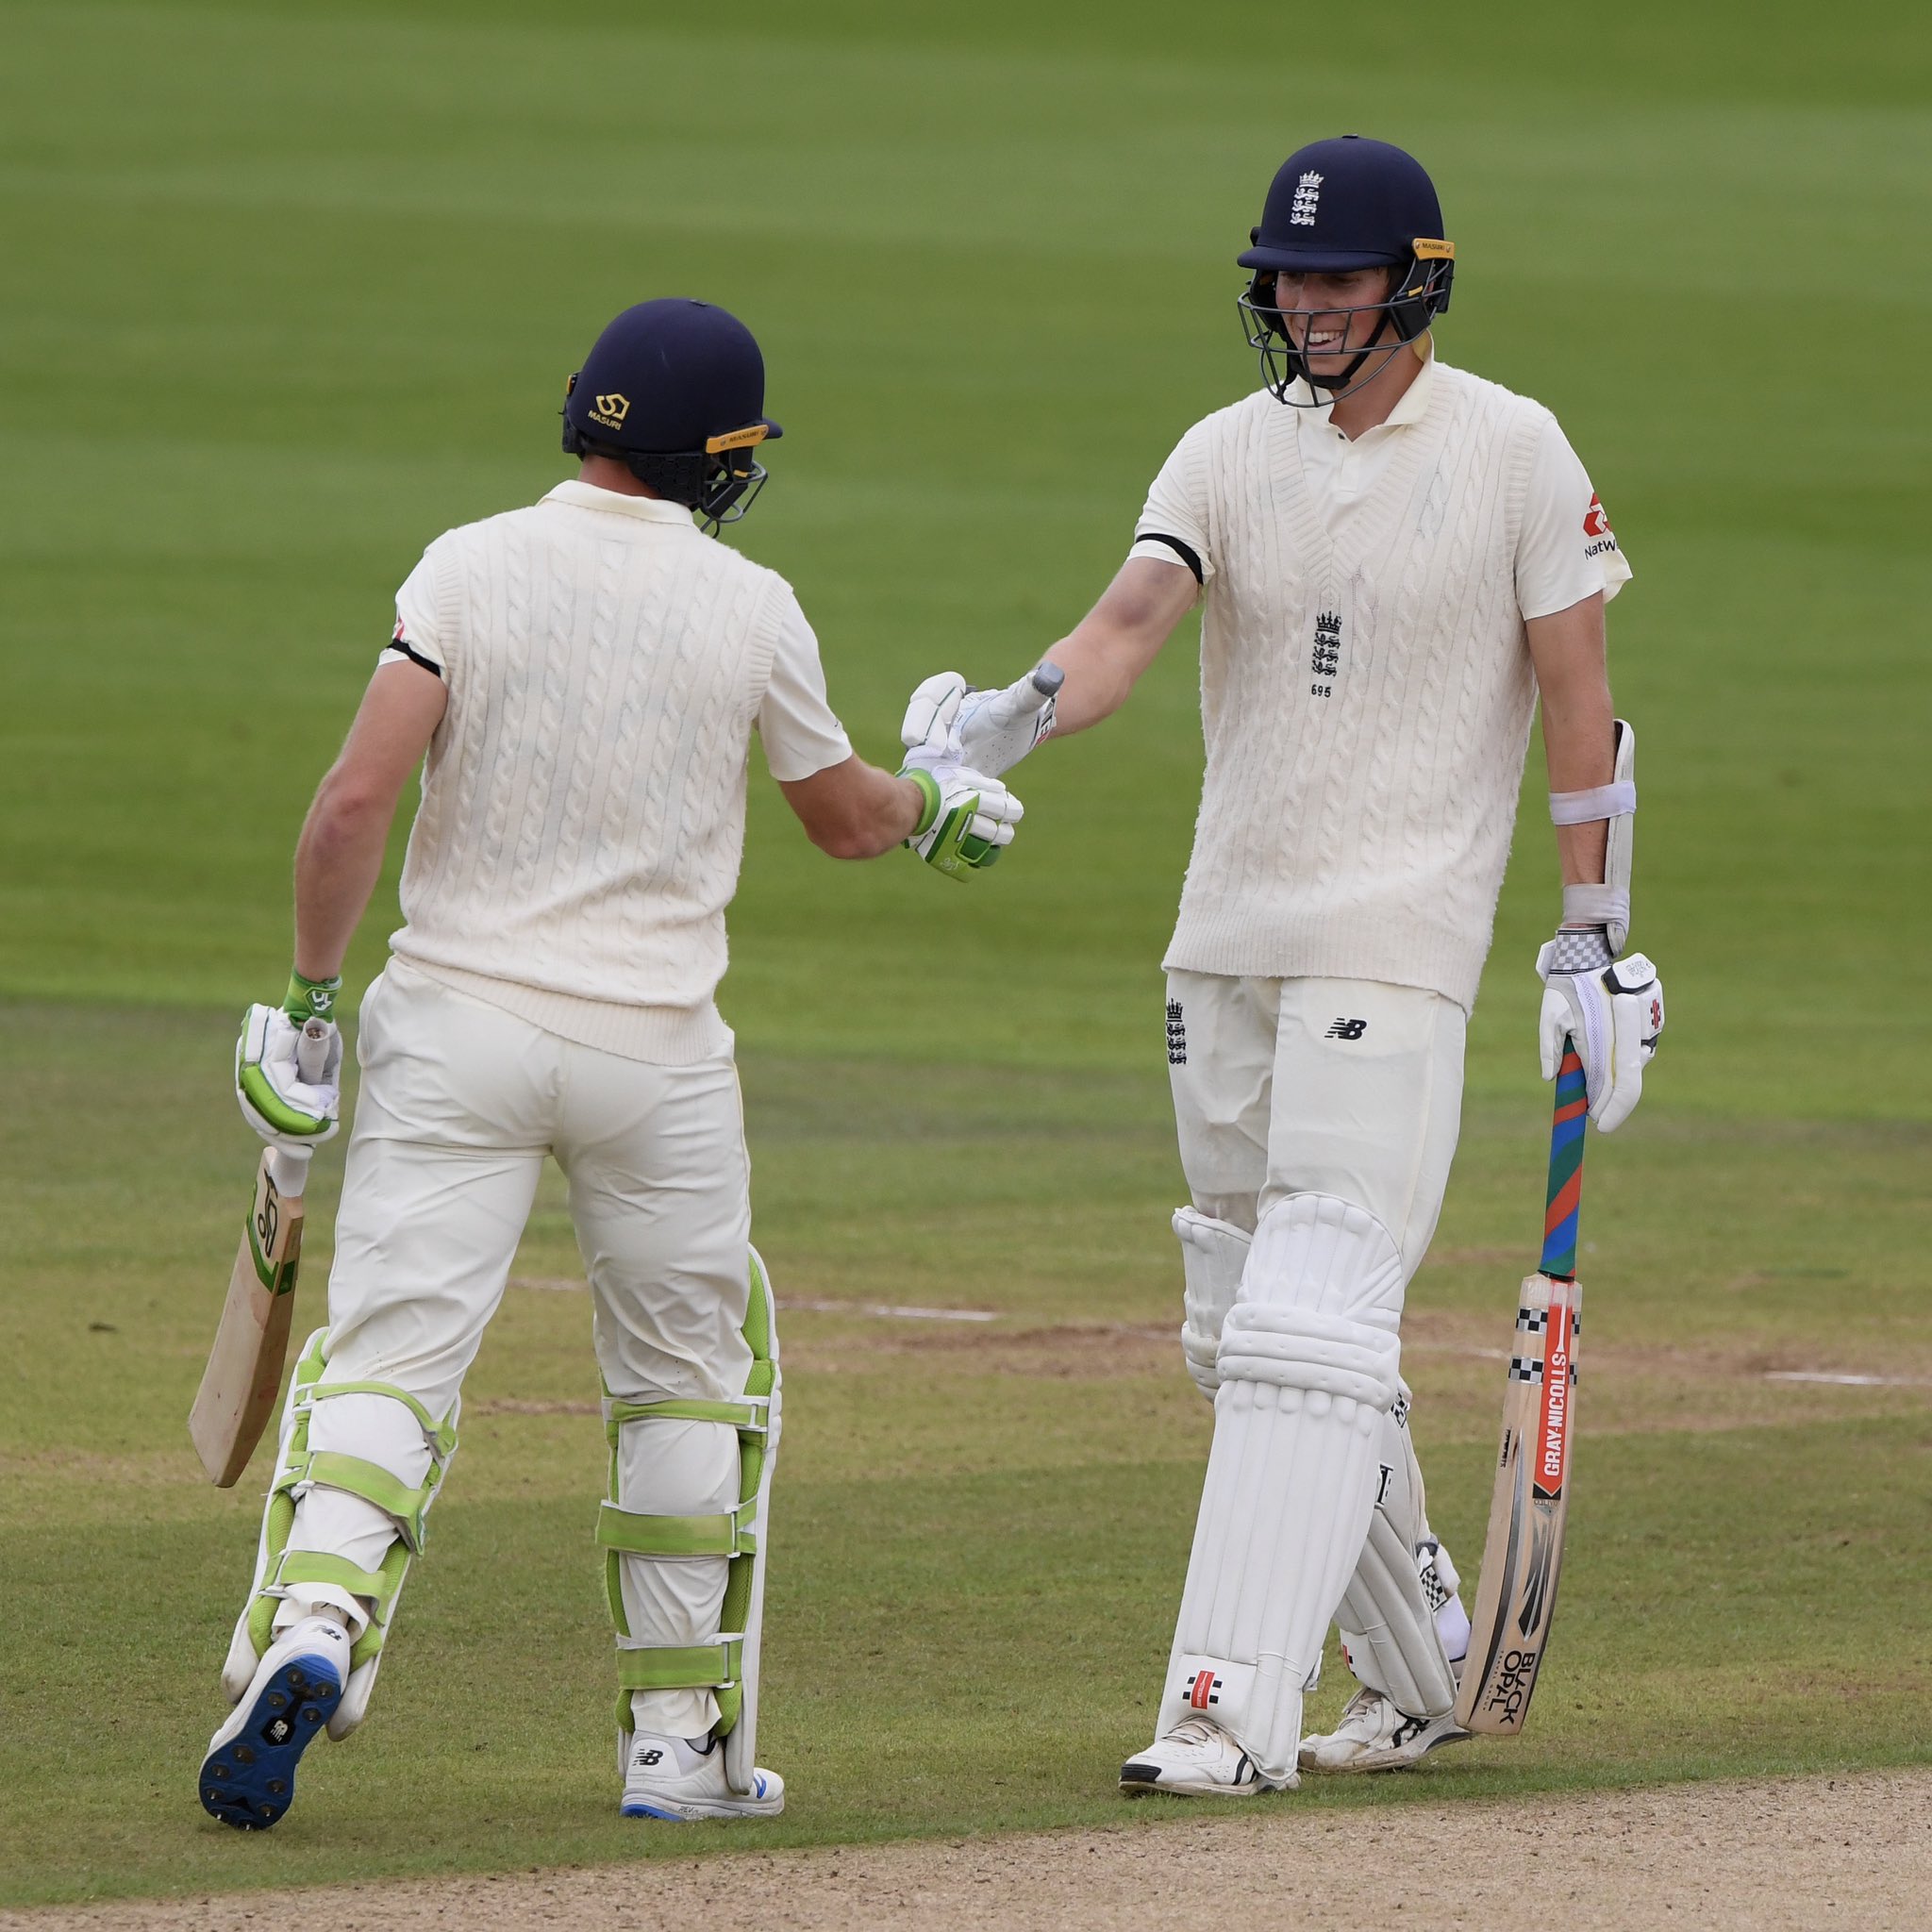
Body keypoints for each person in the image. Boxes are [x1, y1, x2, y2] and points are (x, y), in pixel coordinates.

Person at [200, 297, 1024, 1830]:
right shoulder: (753, 604)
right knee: (686, 1391)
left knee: (389, 1356)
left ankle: (311, 1630)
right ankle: (674, 1748)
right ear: (715, 459)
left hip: (454, 1028)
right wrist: (938, 809)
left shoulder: (468, 562)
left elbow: (350, 807)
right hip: (657, 1059)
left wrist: (311, 1001)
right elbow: (844, 816)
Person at [908, 135, 1663, 1797]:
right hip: (1223, 943)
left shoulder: (1519, 453)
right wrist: (1000, 726)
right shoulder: (1222, 453)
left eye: (1339, 277)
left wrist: (1597, 939)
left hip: (1395, 945)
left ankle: (1223, 1713)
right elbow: (1126, 627)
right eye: (1291, 278)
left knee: (1314, 1321)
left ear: (1416, 282)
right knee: (1239, 1334)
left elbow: (1579, 700)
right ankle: (1418, 1673)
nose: (1309, 305)